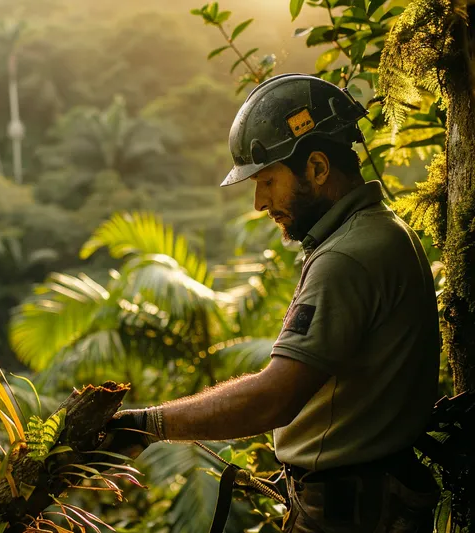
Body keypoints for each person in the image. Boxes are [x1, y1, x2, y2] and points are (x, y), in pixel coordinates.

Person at [103, 74, 442, 532]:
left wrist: (146, 424)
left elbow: (274, 398)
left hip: (351, 510)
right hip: (368, 496)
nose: (260, 202)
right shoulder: (376, 232)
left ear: (318, 169)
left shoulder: (347, 257)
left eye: (267, 181)